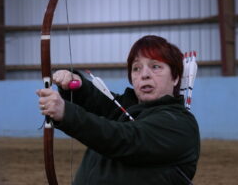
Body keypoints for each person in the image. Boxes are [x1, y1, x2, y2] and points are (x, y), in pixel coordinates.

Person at [36, 35, 200, 185]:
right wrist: (76, 84)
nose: (144, 75)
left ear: (176, 77)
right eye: (136, 68)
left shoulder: (180, 124)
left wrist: (66, 113)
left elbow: (122, 138)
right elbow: (99, 102)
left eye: (155, 66)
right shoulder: (129, 109)